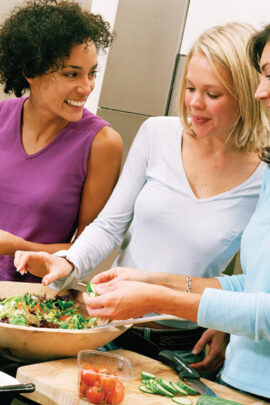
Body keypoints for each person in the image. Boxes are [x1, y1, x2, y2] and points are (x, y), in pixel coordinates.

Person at [14, 22, 270, 376]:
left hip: (184, 349)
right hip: (110, 330)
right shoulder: (157, 134)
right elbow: (109, 225)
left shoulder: (263, 173)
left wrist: (227, 325)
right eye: (190, 87)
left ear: (246, 93)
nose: (195, 103)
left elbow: (254, 280)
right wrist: (68, 263)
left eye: (213, 95)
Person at [0, 0, 122, 283]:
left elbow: (85, 252)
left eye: (91, 73)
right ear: (31, 71)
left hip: (27, 307)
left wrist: (13, 246)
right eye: (71, 74)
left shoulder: (102, 144)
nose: (87, 87)